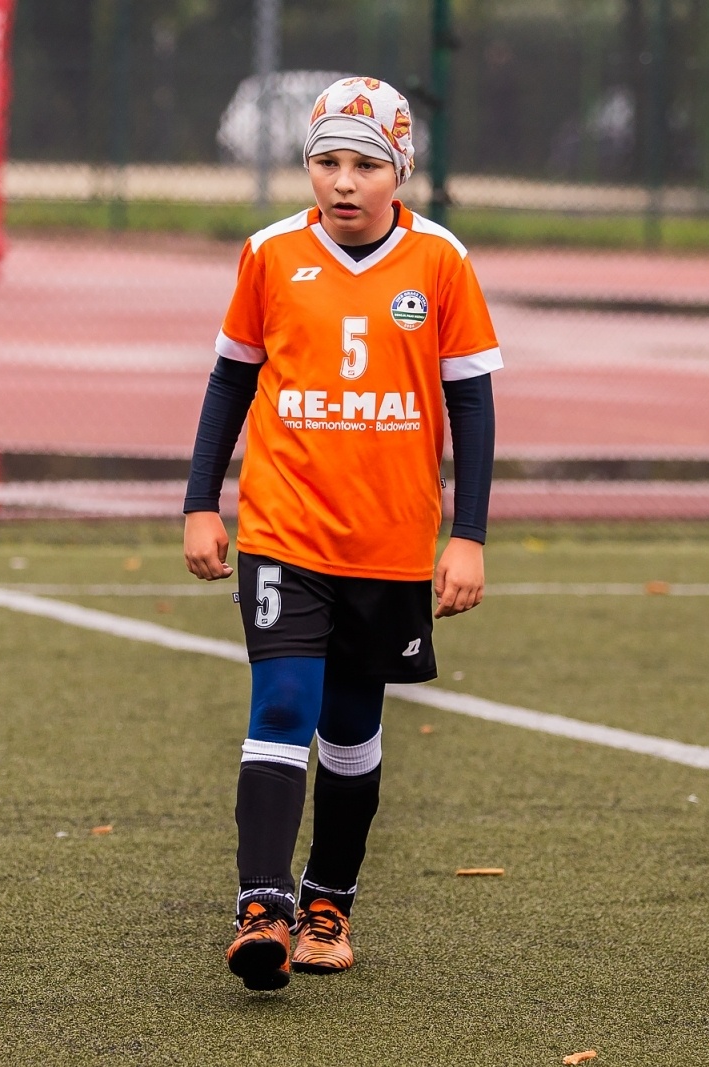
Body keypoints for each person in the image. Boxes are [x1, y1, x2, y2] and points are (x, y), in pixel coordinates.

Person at [183, 76, 501, 991]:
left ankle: (329, 900)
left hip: (392, 543)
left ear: (399, 168)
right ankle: (263, 907)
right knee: (281, 708)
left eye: (365, 163)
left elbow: (472, 409)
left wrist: (467, 533)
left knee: (352, 731)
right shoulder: (271, 254)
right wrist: (203, 501)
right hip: (285, 529)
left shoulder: (440, 261)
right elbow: (229, 382)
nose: (344, 182)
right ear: (308, 167)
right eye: (327, 161)